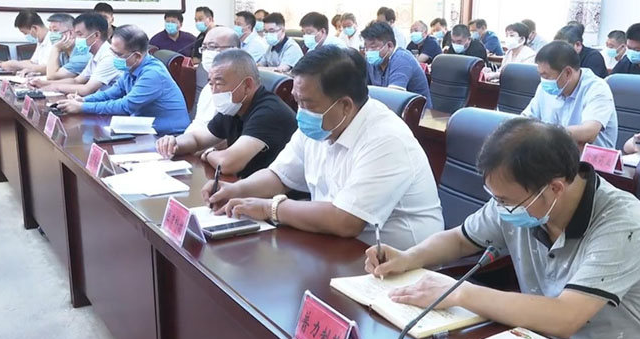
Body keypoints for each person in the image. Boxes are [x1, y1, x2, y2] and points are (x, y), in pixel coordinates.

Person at [364, 117, 640, 339]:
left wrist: (460, 293)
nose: (501, 208)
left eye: (506, 201)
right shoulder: (521, 199)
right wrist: (408, 257)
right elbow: (460, 240)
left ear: (555, 188)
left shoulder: (623, 222)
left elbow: (566, 317)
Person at [203, 46, 444, 249]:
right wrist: (236, 190)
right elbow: (279, 176)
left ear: (345, 105)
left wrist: (270, 208)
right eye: (297, 101)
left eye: (307, 104)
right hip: (336, 245)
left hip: (399, 263)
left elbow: (346, 221)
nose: (300, 112)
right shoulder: (321, 121)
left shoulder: (386, 138)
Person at [155, 49, 297, 176]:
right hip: (245, 185)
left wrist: (208, 153)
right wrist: (173, 143)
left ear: (247, 85)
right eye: (211, 84)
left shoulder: (268, 112)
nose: (214, 91)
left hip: (278, 194)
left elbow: (227, 163)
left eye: (219, 84)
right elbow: (198, 139)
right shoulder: (234, 106)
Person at [55, 25, 190, 135]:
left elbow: (125, 106)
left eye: (118, 54)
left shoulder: (152, 74)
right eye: (112, 52)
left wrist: (82, 107)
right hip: (146, 128)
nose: (114, 57)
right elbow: (111, 93)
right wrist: (83, 100)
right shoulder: (131, 67)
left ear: (137, 56)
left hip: (169, 135)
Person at [522, 41, 618, 149]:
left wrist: (545, 133)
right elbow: (526, 119)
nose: (543, 80)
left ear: (568, 72)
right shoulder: (544, 88)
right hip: (553, 153)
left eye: (546, 76)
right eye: (540, 75)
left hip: (589, 158)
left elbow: (589, 132)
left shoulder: (597, 88)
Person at [29, 13, 121, 95]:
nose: (76, 38)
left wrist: (54, 87)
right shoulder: (96, 55)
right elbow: (77, 80)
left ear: (96, 35)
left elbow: (86, 89)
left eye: (80, 34)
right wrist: (44, 84)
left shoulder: (108, 57)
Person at [361, 21, 432, 109]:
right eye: (366, 47)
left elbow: (392, 100)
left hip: (418, 114)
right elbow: (362, 92)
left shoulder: (402, 59)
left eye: (373, 47)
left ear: (390, 46)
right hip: (386, 111)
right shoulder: (373, 61)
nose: (368, 52)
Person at [184, 27, 241, 136]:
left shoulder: (239, 90)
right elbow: (199, 123)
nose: (207, 53)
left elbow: (222, 137)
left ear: (233, 50)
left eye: (212, 47)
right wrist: (178, 142)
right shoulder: (208, 87)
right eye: (204, 48)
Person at [0, 10, 50, 74]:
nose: (26, 36)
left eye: (25, 33)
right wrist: (5, 64)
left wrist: (15, 65)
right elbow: (33, 62)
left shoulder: (53, 40)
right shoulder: (41, 41)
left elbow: (48, 68)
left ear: (34, 28)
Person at [44, 13, 92, 81]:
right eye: (50, 31)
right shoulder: (63, 50)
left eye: (55, 31)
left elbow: (51, 76)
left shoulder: (82, 53)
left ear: (71, 33)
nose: (52, 35)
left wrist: (55, 48)